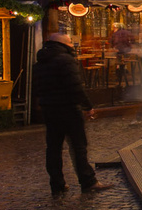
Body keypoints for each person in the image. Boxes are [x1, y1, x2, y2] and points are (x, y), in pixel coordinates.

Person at [33, 33, 98, 194]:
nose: (72, 46)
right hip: (68, 109)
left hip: (49, 109)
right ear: (63, 44)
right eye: (70, 43)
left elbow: (37, 87)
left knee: (53, 148)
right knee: (78, 146)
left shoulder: (40, 62)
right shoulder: (65, 60)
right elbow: (75, 87)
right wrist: (87, 106)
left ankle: (57, 184)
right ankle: (88, 181)